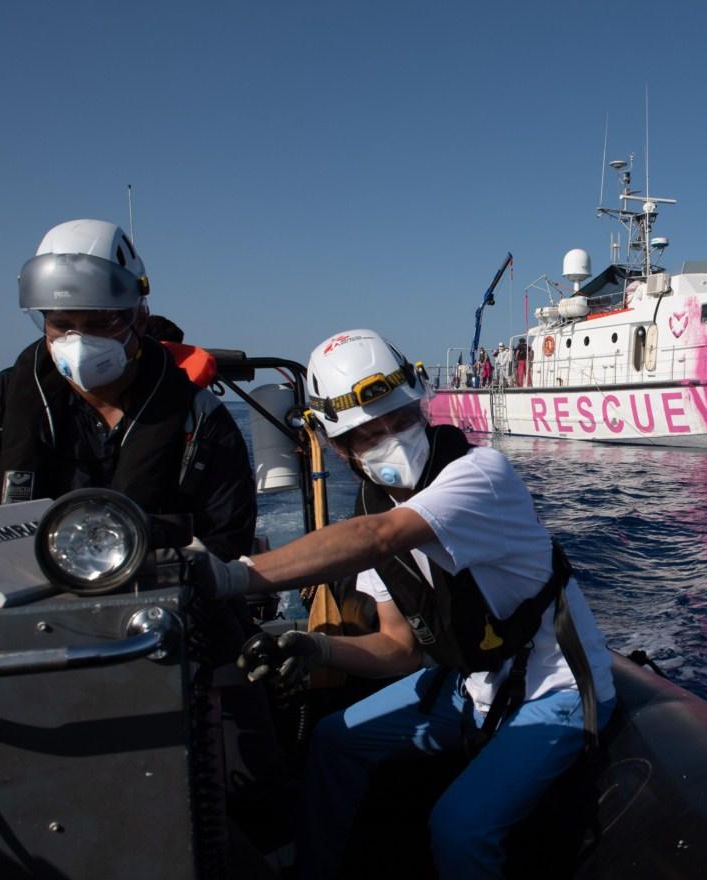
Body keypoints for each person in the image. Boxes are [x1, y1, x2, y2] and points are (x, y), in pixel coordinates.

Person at [189, 329, 616, 879]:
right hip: (471, 687)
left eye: (400, 420)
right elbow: (398, 648)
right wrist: (317, 647)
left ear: (422, 409)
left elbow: (382, 536)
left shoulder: (480, 476)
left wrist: (233, 576)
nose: (391, 438)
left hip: (555, 690)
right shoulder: (373, 513)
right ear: (341, 449)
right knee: (332, 741)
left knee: (460, 826)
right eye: (369, 433)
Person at [0, 219, 256, 562]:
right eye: (62, 324)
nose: (80, 342)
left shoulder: (200, 420)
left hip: (155, 594)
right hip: (24, 595)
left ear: (139, 319)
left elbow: (227, 540)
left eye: (101, 323)